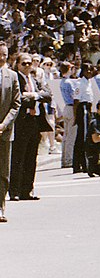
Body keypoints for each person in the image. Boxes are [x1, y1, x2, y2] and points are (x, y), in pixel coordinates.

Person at [9, 53, 53, 201]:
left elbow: (47, 94)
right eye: (24, 63)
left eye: (29, 63)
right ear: (18, 64)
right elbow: (18, 98)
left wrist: (34, 95)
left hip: (35, 122)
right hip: (22, 121)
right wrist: (32, 96)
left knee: (31, 158)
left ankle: (27, 190)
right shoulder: (15, 78)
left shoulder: (34, 79)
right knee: (18, 157)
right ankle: (14, 190)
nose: (27, 66)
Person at [0, 43, 19, 222]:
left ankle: (0, 207)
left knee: (3, 172)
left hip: (4, 132)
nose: (1, 57)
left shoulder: (12, 76)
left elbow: (16, 104)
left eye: (4, 54)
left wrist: (3, 125)